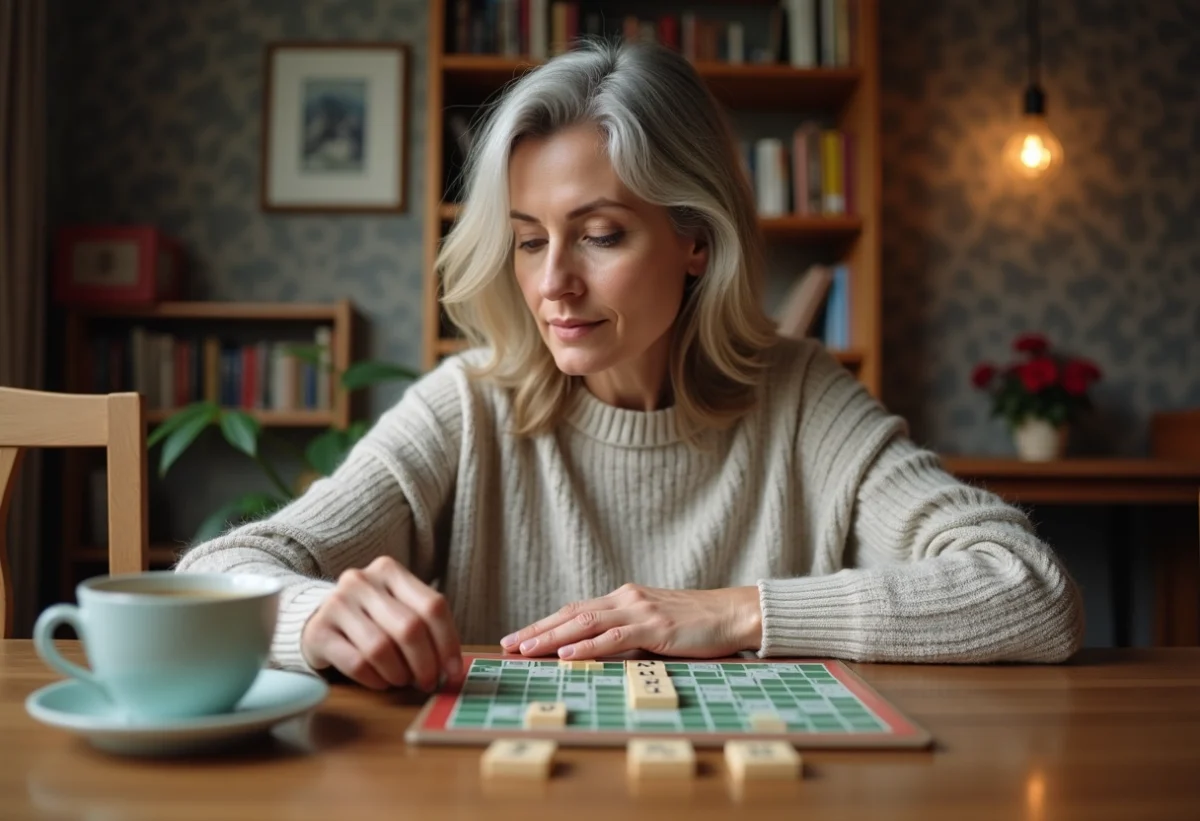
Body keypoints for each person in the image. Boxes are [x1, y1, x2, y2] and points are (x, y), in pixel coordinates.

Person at [177, 39, 1084, 691]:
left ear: (696, 238)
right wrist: (315, 618)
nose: (553, 285)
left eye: (600, 235)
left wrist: (731, 613)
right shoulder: (470, 403)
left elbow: (1029, 589)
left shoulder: (802, 396)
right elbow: (210, 575)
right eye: (529, 242)